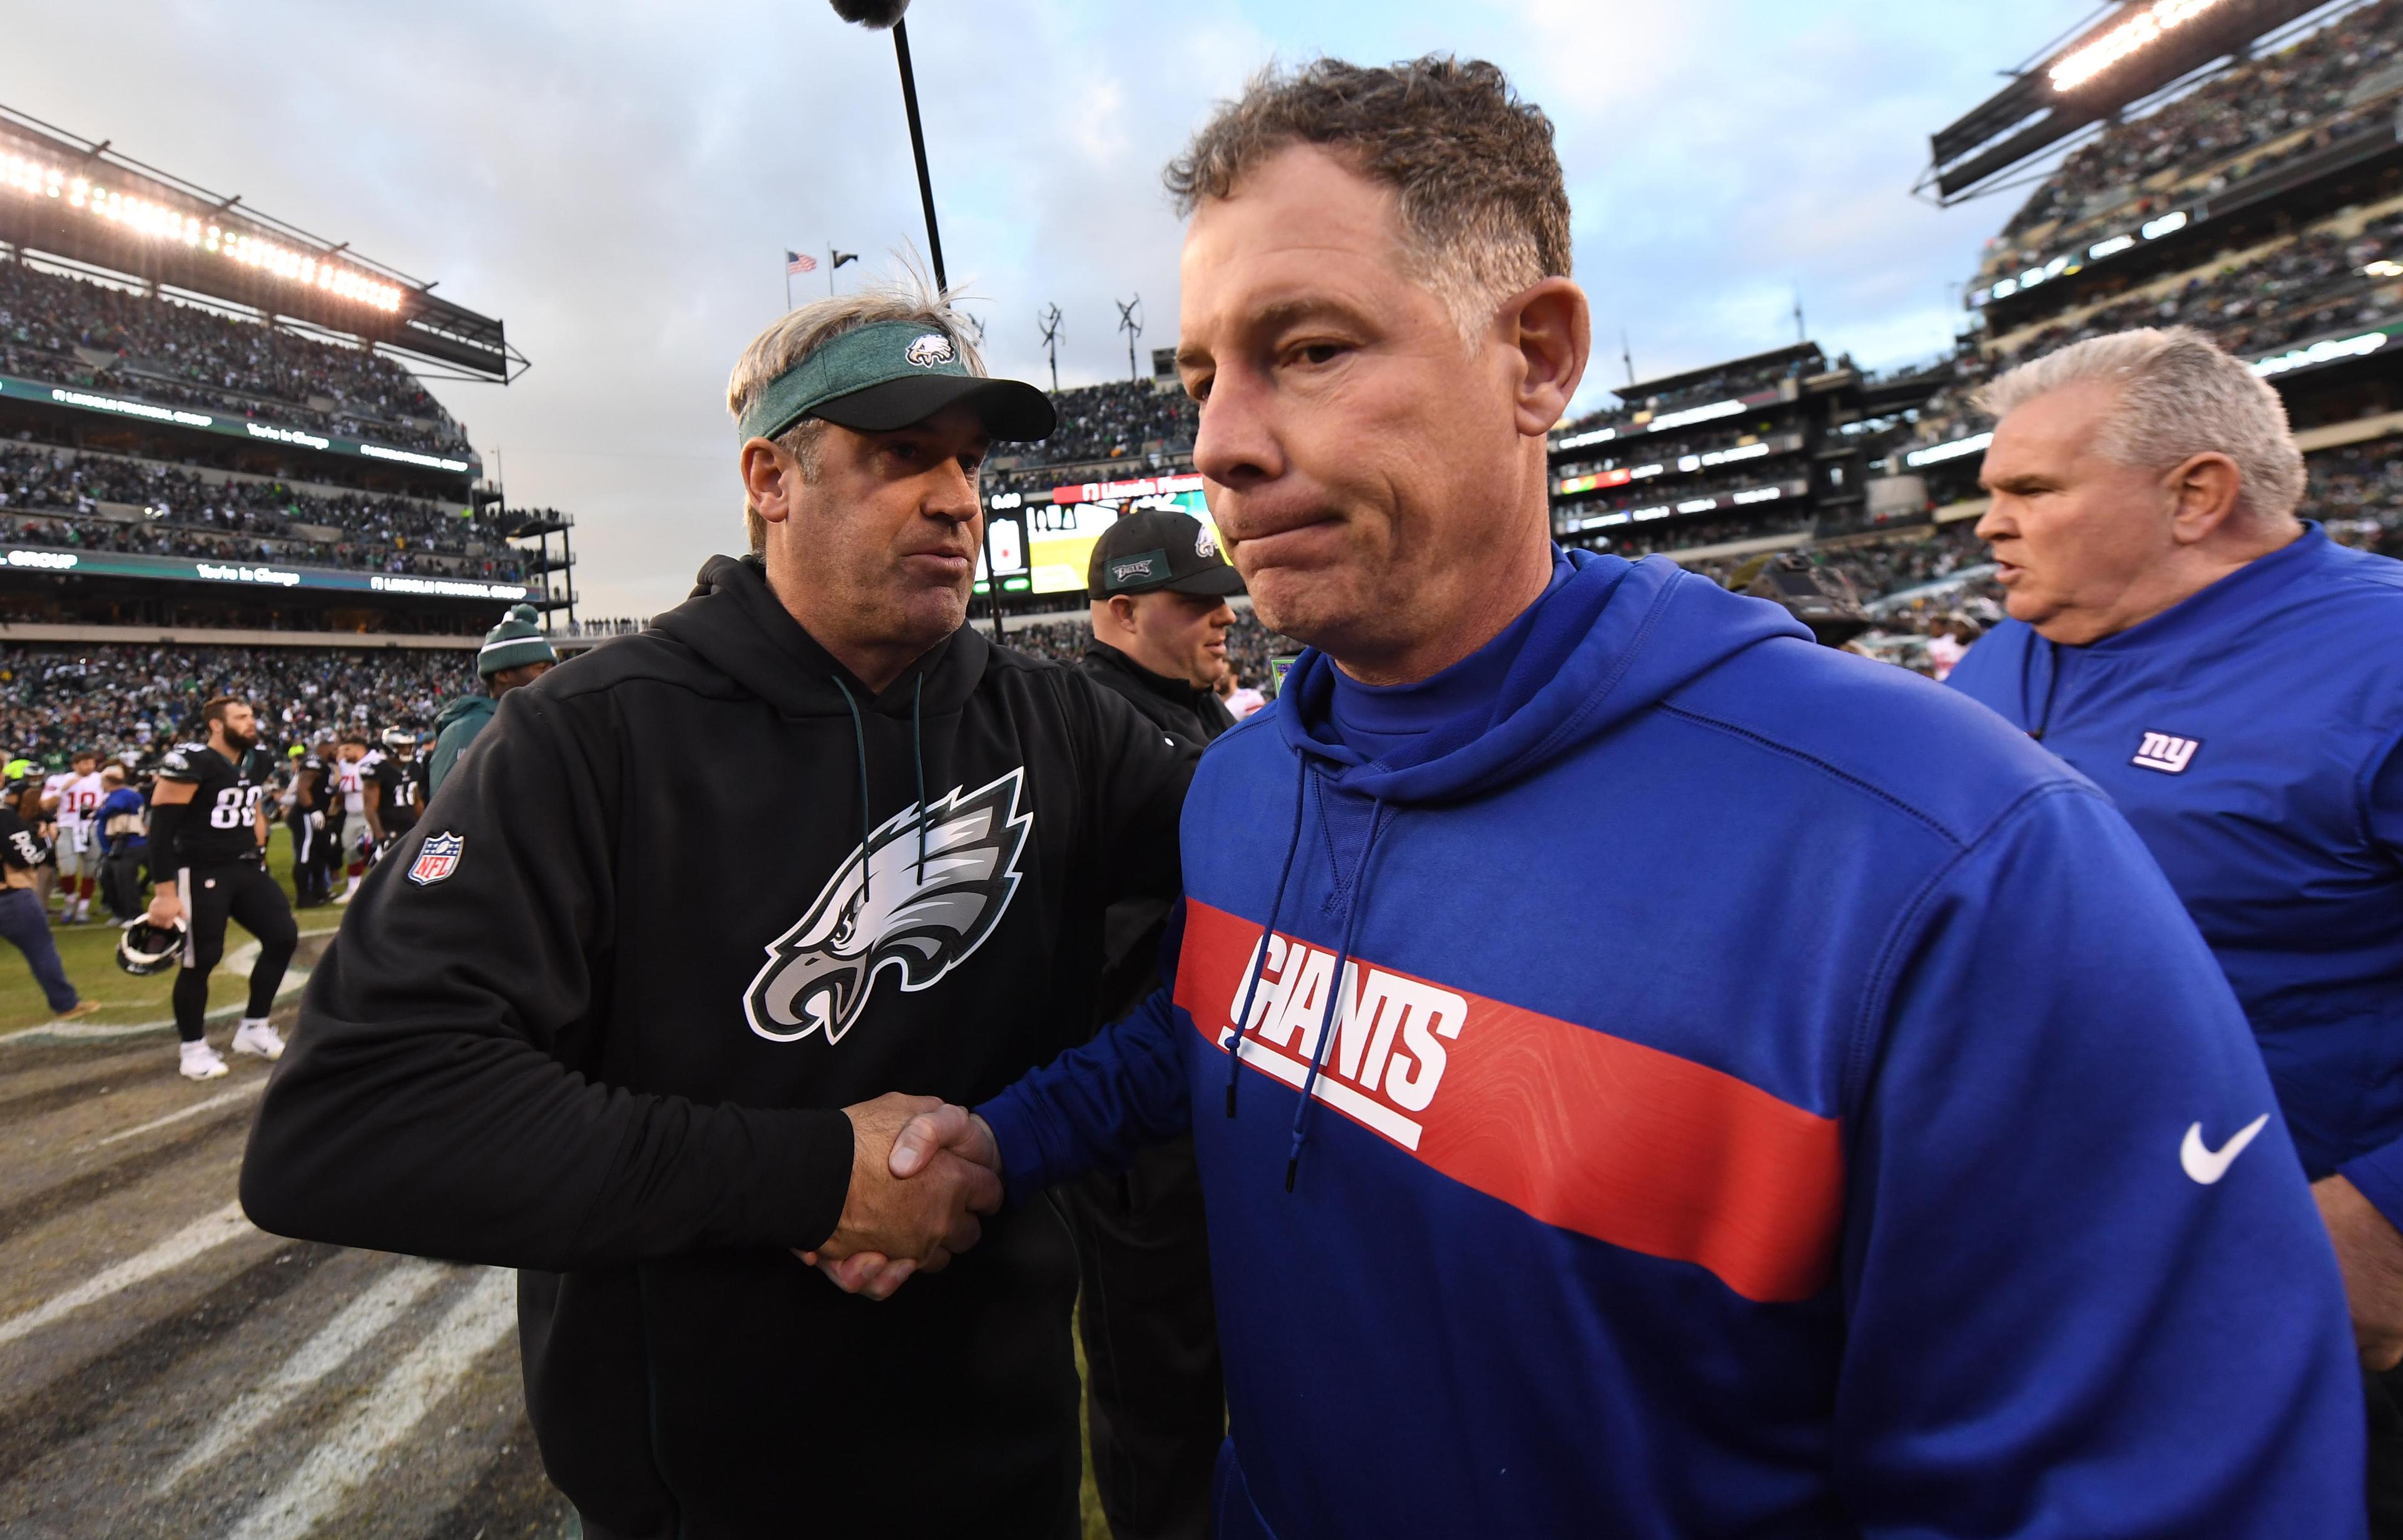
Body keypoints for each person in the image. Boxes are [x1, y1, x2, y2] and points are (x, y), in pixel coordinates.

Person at [840, 57, 2364, 1536]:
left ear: (1538, 358)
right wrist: (1000, 1136)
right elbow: (1231, 1024)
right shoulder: (1245, 784)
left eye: (1305, 348)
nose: (1221, 445)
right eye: (1201, 376)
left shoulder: (1940, 853)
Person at [240, 283, 1199, 1540]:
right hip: (699, 1501)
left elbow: (1280, 917)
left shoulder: (1062, 723)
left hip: (1007, 1475)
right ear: (771, 481)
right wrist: (809, 1179)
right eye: (901, 454)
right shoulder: (590, 737)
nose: (958, 498)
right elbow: (352, 1119)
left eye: (966, 460)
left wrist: (1037, 1131)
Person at [1945, 325, 2403, 1533]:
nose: (1988, 525)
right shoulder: (1998, 658)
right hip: (2048, 1264)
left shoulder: (2384, 659)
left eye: (2031, 491)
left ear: (2196, 494)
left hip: (2307, 1286)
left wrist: (2392, 1221)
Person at [1067, 507, 1244, 1540]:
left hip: (1219, 1106)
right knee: (1158, 1401)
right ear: (1125, 610)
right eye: (1195, 600)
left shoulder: (1196, 708)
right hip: (1140, 1124)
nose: (1225, 614)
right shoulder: (1085, 719)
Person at [145, 696, 293, 1082]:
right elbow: (160, 829)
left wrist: (259, 852)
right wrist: (165, 891)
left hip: (243, 865)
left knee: (282, 937)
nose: (251, 722)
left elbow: (254, 808)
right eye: (241, 717)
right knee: (201, 959)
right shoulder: (192, 761)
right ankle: (193, 1049)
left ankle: (254, 1027)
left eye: (252, 715)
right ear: (216, 725)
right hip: (198, 870)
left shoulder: (257, 759)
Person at [428, 606, 556, 797]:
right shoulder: (469, 730)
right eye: (541, 668)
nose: (551, 675)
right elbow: (452, 813)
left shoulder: (538, 719)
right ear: (503, 675)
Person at [0, 773, 95, 1021]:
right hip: (10, 895)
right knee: (41, 951)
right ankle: (66, 1004)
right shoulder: (3, 816)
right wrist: (46, 839)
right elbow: (25, 857)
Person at [49, 747, 105, 924]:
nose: (90, 767)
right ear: (75, 765)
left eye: (92, 763)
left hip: (92, 827)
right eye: (85, 763)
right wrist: (62, 790)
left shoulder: (102, 779)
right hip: (67, 828)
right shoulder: (59, 780)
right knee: (67, 870)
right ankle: (70, 901)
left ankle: (83, 908)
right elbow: (45, 804)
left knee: (91, 870)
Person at [93, 763, 148, 923]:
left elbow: (117, 806)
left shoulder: (124, 794)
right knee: (108, 878)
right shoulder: (116, 795)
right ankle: (120, 912)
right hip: (113, 847)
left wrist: (100, 811)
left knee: (125, 880)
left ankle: (133, 914)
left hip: (128, 844)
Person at [287, 736, 337, 908]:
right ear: (325, 748)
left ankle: (319, 892)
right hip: (305, 815)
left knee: (320, 855)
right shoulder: (314, 762)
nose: (336, 753)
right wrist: (313, 809)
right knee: (305, 855)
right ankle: (303, 897)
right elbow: (302, 788)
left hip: (318, 815)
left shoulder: (326, 766)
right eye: (334, 749)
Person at [364, 726, 427, 852]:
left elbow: (416, 801)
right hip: (388, 827)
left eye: (409, 746)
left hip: (409, 826)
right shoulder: (377, 769)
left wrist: (425, 825)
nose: (407, 750)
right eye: (402, 746)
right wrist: (381, 837)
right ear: (389, 746)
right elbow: (370, 808)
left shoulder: (414, 767)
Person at [332, 733, 372, 904]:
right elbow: (338, 786)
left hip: (370, 814)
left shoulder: (375, 760)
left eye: (347, 749)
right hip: (351, 814)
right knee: (350, 849)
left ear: (359, 747)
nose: (344, 753)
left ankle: (379, 885)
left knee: (371, 849)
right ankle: (353, 888)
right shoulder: (344, 765)